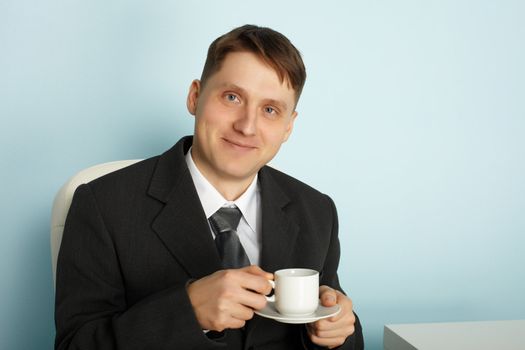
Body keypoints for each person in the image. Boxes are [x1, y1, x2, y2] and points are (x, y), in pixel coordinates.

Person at [55, 24, 364, 349]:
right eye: (232, 97)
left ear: (288, 127)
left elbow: (339, 324)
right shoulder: (103, 205)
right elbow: (75, 344)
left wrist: (338, 331)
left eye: (270, 110)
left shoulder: (317, 211)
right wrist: (186, 312)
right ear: (195, 96)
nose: (247, 126)